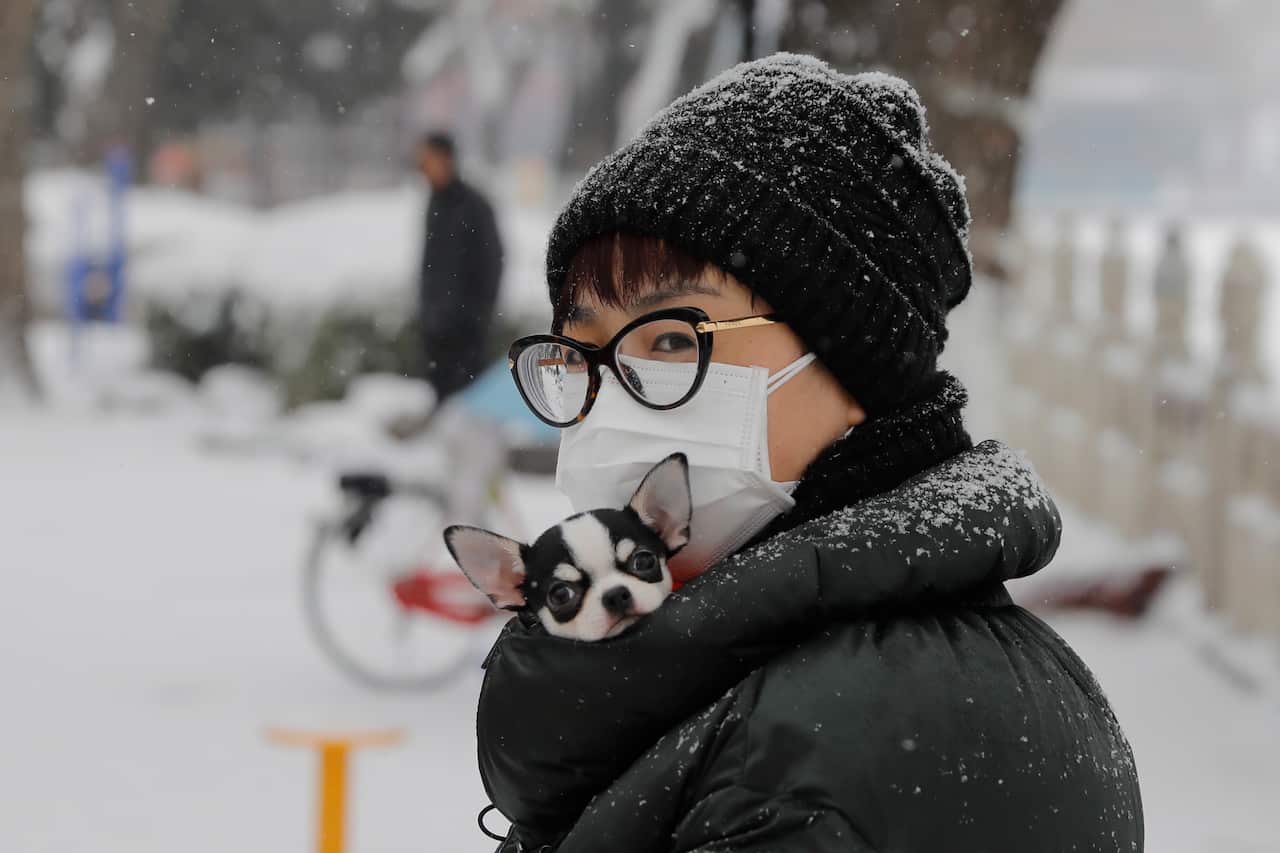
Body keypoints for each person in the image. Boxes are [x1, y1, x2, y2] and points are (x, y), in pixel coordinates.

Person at [479, 54, 1143, 852]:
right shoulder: (720, 670)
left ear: (851, 363)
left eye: (667, 339)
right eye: (579, 357)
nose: (612, 398)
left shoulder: (874, 731)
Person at [416, 131, 504, 404]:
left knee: (468, 400)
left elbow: (493, 261)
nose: (423, 166)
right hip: (436, 328)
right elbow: (431, 264)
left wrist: (476, 313)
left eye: (428, 158)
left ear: (446, 159)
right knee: (441, 398)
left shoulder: (473, 205)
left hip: (467, 330)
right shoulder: (435, 202)